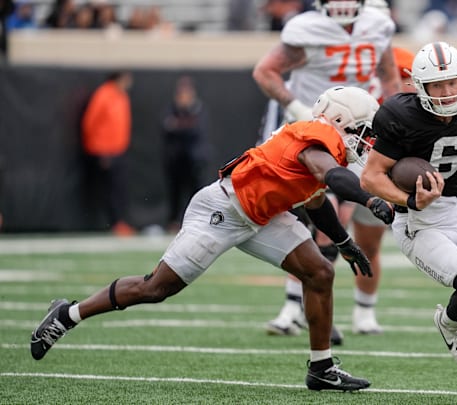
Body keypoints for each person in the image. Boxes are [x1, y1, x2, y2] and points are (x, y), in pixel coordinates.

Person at [29, 85, 394, 392]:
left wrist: (343, 243)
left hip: (263, 216)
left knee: (319, 272)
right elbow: (328, 176)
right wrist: (370, 198)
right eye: (363, 129)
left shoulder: (324, 151)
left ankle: (321, 368)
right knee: (156, 288)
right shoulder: (316, 138)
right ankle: (67, 313)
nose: (367, 140)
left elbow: (316, 201)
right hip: (224, 209)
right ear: (341, 121)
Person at [361, 41, 457, 403]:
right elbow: (371, 178)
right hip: (416, 221)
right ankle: (449, 321)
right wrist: (410, 199)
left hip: (455, 212)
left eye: (453, 82)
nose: (447, 92)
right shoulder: (398, 115)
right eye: (437, 85)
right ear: (420, 87)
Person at [252, 0, 401, 340]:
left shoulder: (378, 24)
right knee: (324, 222)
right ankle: (296, 307)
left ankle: (364, 310)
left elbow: (390, 77)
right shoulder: (306, 28)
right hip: (318, 135)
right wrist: (295, 105)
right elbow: (265, 70)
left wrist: (397, 124)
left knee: (370, 236)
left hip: (365, 136)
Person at [81, 70, 135, 237]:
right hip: (105, 151)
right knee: (110, 189)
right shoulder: (104, 95)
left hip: (119, 150)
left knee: (119, 188)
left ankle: (119, 221)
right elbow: (89, 123)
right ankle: (114, 222)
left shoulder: (122, 97)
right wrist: (98, 150)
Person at [161, 76, 210, 233]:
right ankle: (174, 222)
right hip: (176, 159)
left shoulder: (198, 108)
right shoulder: (172, 108)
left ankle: (197, 221)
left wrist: (179, 125)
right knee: (175, 193)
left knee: (195, 192)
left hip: (194, 160)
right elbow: (167, 127)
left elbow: (196, 130)